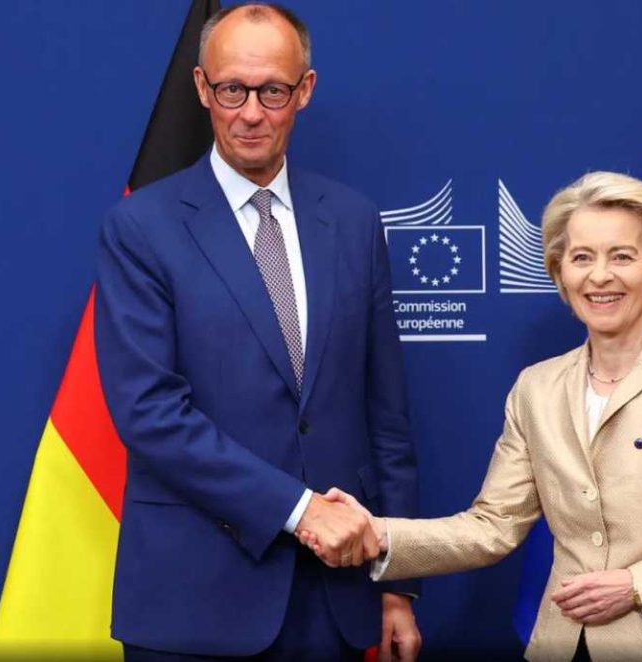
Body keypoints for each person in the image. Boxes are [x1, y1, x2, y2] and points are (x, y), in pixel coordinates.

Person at [303, 172, 642, 660]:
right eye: (581, 257)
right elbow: (491, 527)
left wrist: (637, 585)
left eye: (622, 256)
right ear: (560, 272)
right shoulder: (537, 389)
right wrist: (380, 533)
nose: (599, 276)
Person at [95, 3, 421, 660]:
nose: (250, 113)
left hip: (335, 599)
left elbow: (386, 418)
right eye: (231, 90)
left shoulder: (354, 221)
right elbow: (150, 413)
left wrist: (397, 585)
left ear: (304, 90)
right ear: (201, 88)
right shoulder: (141, 228)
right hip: (195, 599)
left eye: (272, 91)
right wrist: (300, 509)